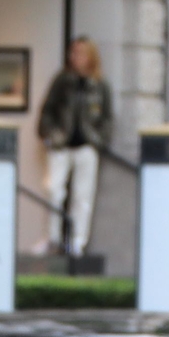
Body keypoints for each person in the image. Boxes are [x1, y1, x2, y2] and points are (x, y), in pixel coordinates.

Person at [37, 36, 113, 258]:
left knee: (83, 196)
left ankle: (77, 242)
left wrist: (99, 140)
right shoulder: (62, 81)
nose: (75, 57)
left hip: (86, 146)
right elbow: (48, 110)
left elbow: (107, 118)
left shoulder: (100, 85)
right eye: (73, 52)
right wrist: (50, 136)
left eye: (80, 53)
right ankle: (53, 238)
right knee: (54, 190)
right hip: (62, 145)